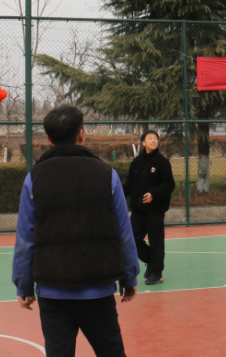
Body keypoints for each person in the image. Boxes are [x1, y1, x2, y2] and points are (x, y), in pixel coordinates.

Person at [12, 105, 141, 357]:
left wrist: (23, 285)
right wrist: (129, 277)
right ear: (82, 134)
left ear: (48, 139)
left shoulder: (34, 178)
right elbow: (124, 233)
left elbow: (25, 238)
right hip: (98, 287)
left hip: (52, 289)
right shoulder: (107, 174)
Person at [123, 130, 175, 285]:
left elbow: (169, 184)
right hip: (138, 211)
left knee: (156, 242)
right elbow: (129, 184)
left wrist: (154, 194)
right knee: (130, 239)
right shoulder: (136, 162)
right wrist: (117, 195)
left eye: (155, 138)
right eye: (150, 138)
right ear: (143, 143)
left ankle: (156, 273)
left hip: (155, 211)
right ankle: (152, 261)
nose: (153, 141)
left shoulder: (162, 162)